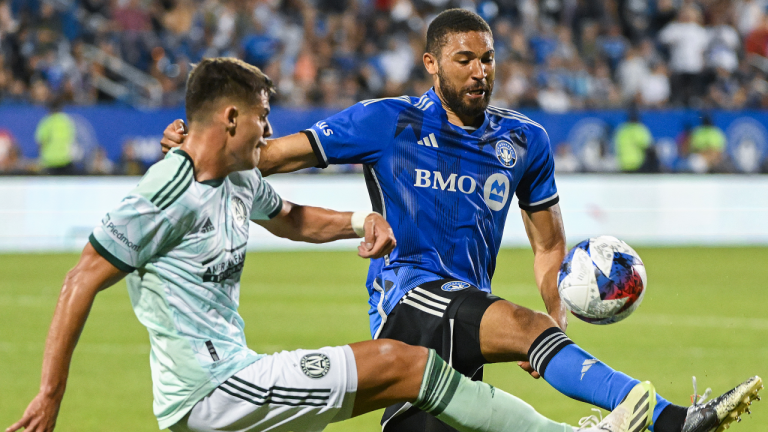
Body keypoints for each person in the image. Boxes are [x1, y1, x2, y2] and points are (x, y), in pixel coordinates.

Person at [161, 10, 763, 432]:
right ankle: (665, 419)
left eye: (489, 59)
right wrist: (197, 144)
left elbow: (549, 243)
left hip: (466, 308)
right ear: (431, 63)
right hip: (408, 298)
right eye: (465, 59)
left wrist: (554, 319)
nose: (480, 71)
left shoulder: (524, 141)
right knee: (521, 326)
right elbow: (268, 154)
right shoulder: (386, 123)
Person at [7, 58, 635, 432]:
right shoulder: (167, 190)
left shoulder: (234, 179)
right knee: (403, 363)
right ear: (230, 119)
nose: (270, 129)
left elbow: (288, 217)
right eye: (261, 115)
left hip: (228, 377)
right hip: (214, 390)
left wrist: (357, 222)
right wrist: (50, 396)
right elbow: (80, 278)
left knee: (407, 381)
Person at [34, 95, 78, 175]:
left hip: (49, 162)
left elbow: (41, 142)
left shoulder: (46, 122)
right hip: (65, 160)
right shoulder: (66, 121)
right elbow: (72, 140)